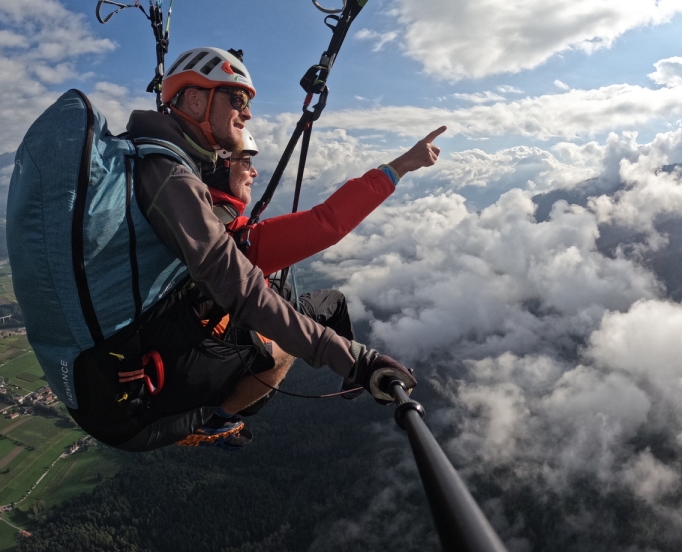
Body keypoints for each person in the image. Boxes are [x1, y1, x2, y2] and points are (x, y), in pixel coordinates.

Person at [67, 47, 439, 452]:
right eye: (238, 98)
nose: (246, 113)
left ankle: (315, 387)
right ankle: (217, 420)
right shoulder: (186, 199)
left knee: (320, 300)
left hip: (107, 379)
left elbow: (323, 224)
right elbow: (322, 227)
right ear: (195, 100)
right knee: (285, 340)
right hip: (139, 405)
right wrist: (356, 360)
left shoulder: (161, 179)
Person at [204, 125, 446, 399]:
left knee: (284, 291)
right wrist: (401, 166)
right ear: (220, 168)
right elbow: (329, 222)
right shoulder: (233, 240)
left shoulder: (193, 223)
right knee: (334, 302)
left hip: (213, 333)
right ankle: (352, 377)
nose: (254, 172)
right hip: (235, 340)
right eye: (246, 162)